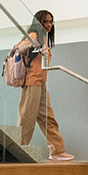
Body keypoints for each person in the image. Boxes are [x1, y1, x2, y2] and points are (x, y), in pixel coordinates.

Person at [15, 10, 73, 161]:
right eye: (45, 21)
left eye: (51, 22)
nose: (49, 25)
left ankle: (57, 151)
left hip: (41, 83)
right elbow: (19, 49)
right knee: (27, 118)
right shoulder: (34, 35)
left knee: (48, 117)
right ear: (38, 22)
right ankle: (19, 149)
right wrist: (31, 46)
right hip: (32, 82)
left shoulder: (44, 38)